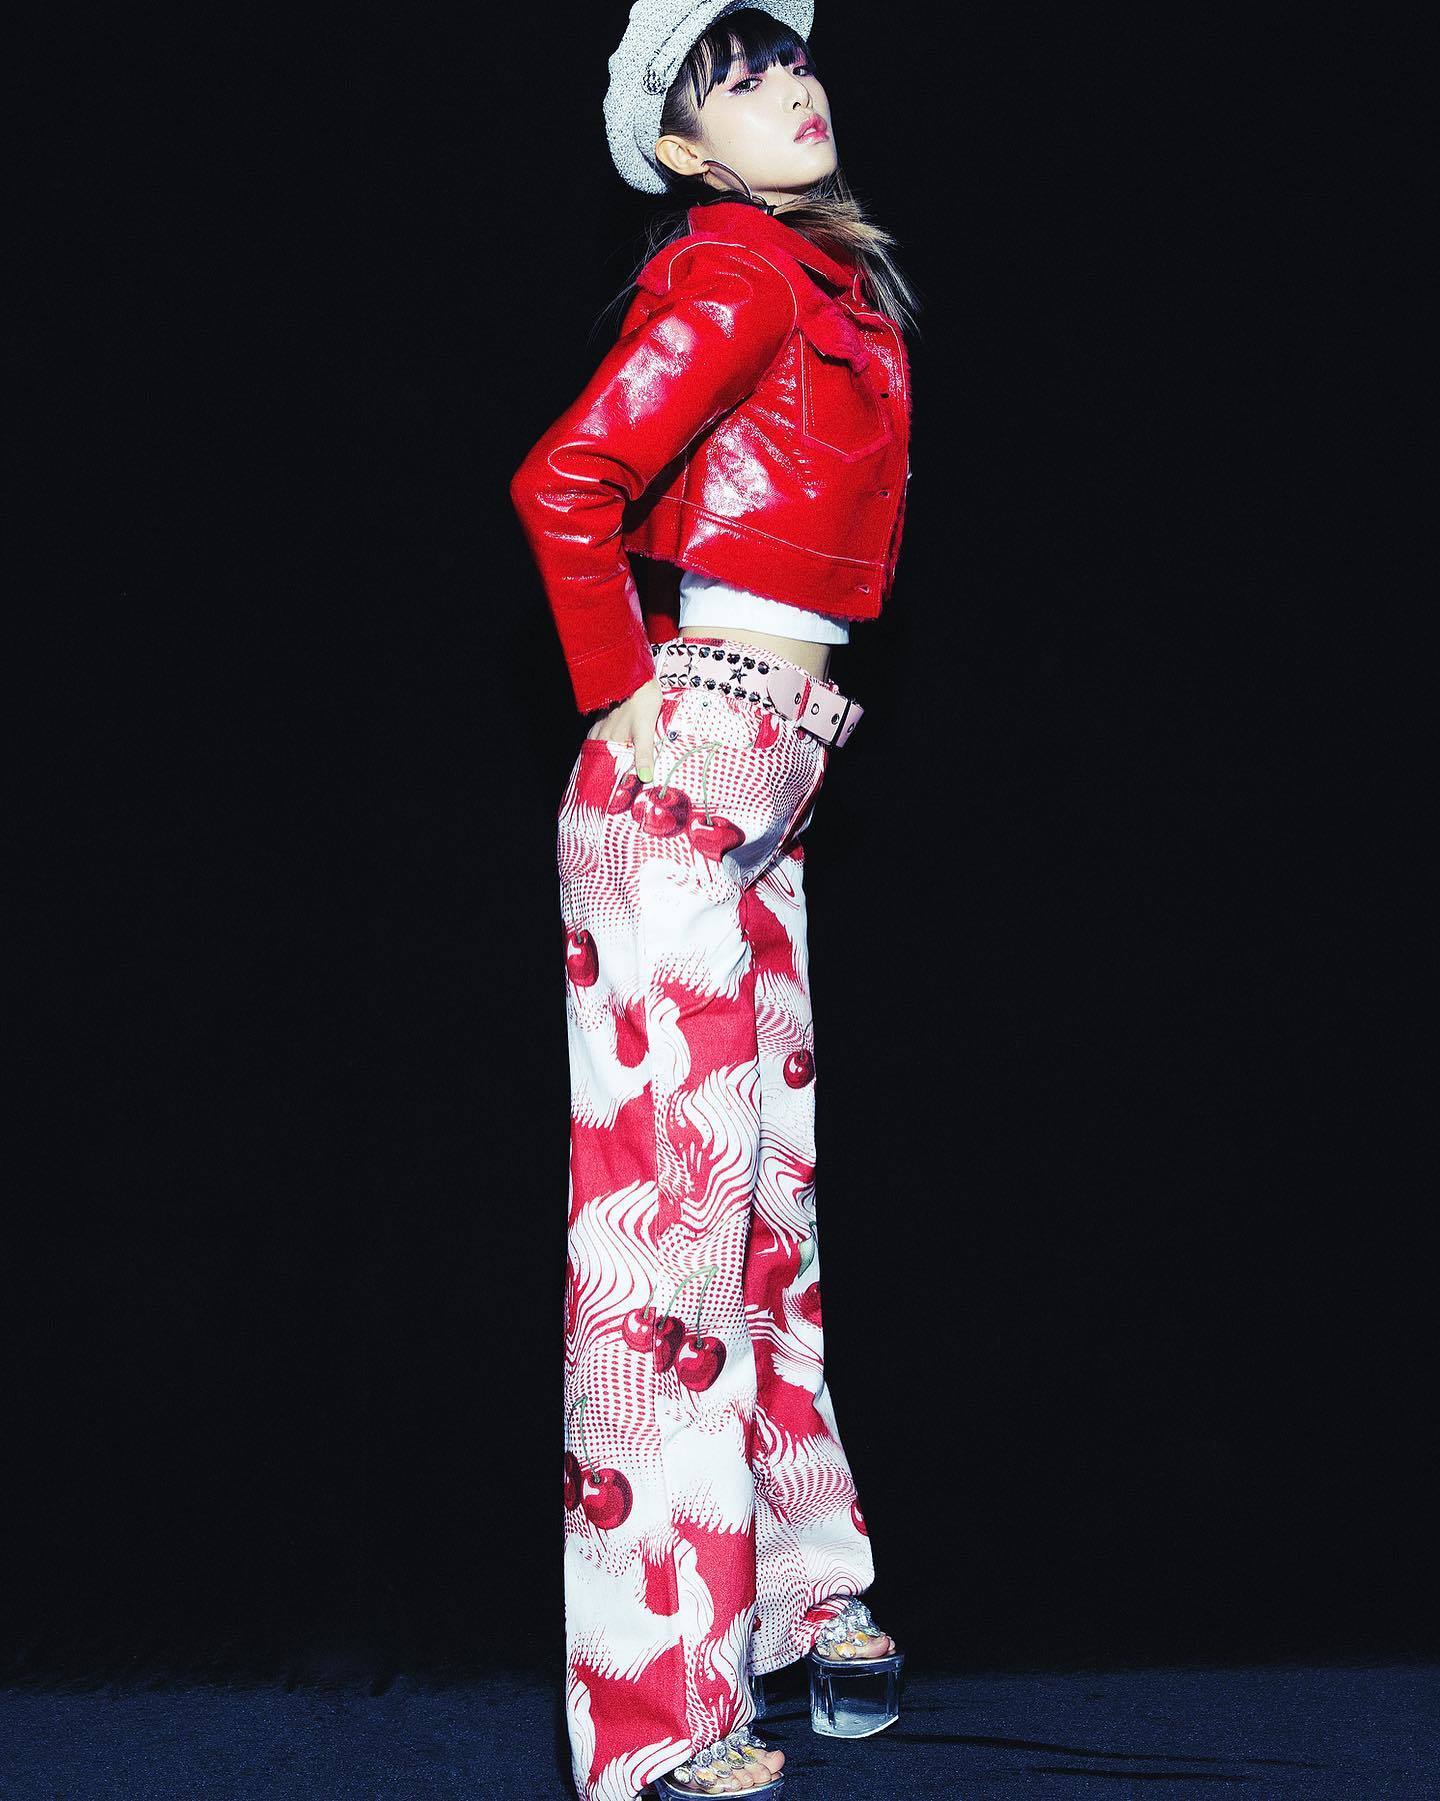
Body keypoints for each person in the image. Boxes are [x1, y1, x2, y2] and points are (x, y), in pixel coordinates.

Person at [508, 5, 919, 1795]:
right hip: (687, 771)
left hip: (767, 778)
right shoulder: (736, 265)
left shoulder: (815, 279)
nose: (786, 86)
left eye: (786, 57)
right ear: (683, 148)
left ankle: (806, 1593)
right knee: (665, 1246)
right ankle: (657, 1722)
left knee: (764, 1215)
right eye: (733, 78)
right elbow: (567, 477)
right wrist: (619, 689)